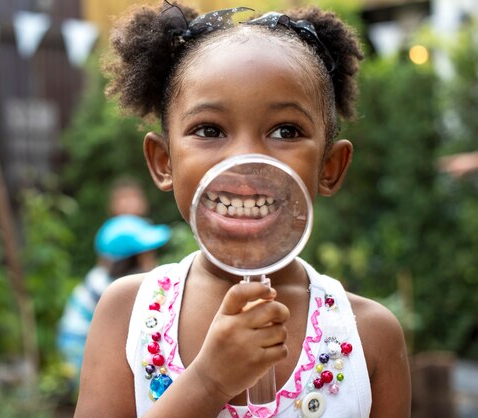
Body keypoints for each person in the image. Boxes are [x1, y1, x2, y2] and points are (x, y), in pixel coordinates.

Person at [75, 2, 411, 418]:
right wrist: (208, 382)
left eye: (285, 131)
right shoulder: (126, 313)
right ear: (164, 162)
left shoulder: (370, 336)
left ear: (329, 167)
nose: (247, 159)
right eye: (209, 130)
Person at [57, 214, 171, 395]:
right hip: (79, 344)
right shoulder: (110, 287)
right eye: (147, 254)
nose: (153, 259)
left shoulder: (106, 278)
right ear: (130, 260)